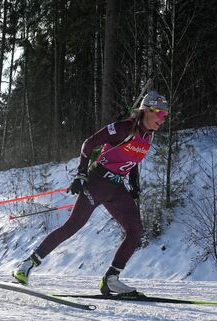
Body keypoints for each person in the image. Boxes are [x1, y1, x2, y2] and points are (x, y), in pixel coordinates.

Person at [12, 91, 168, 295]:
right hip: (97, 181)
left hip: (116, 187)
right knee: (72, 226)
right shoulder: (124, 128)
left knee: (135, 230)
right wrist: (81, 174)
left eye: (165, 116)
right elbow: (89, 142)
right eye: (161, 114)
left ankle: (111, 279)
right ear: (148, 110)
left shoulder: (148, 135)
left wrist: (134, 182)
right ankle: (26, 265)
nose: (163, 119)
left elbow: (132, 156)